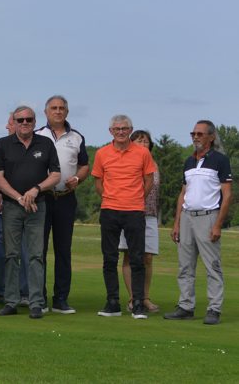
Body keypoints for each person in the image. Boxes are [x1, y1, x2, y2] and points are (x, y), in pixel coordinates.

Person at [0, 106, 61, 319]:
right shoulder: (2, 144)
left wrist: (35, 189)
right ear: (13, 122)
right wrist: (19, 197)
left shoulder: (46, 143)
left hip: (37, 205)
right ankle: (11, 301)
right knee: (11, 255)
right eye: (20, 120)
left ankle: (36, 304)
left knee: (35, 256)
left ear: (34, 121)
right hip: (12, 206)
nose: (24, 123)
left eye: (29, 119)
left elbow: (56, 175)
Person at [164, 120, 232, 325]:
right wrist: (176, 223)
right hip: (186, 218)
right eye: (193, 133)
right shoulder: (188, 162)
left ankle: (214, 309)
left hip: (208, 217)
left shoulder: (220, 160)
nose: (196, 137)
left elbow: (227, 196)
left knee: (212, 266)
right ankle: (186, 306)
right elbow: (183, 194)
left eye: (200, 134)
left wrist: (218, 224)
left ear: (211, 137)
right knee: (185, 266)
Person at [91, 114, 157, 320]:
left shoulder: (142, 153)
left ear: (130, 130)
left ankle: (138, 302)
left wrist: (135, 198)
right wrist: (111, 198)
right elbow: (99, 182)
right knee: (109, 259)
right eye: (116, 129)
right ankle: (113, 303)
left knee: (137, 259)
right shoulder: (102, 153)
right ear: (111, 131)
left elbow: (149, 182)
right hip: (110, 210)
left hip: (135, 211)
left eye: (124, 128)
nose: (120, 132)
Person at [34, 95, 89, 314]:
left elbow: (84, 166)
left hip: (66, 198)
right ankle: (39, 298)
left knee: (63, 251)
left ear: (67, 113)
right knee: (39, 250)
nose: (58, 111)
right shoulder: (37, 135)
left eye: (62, 108)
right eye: (54, 108)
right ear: (46, 112)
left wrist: (78, 178)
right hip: (43, 199)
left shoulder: (76, 137)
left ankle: (60, 299)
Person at [0, 112, 30, 304]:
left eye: (10, 123)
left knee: (24, 252)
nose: (7, 127)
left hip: (25, 206)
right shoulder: (3, 145)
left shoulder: (34, 147)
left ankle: (24, 293)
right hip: (4, 206)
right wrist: (2, 194)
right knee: (2, 252)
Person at [117, 130, 161, 314]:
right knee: (129, 256)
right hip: (128, 213)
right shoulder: (126, 162)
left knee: (147, 257)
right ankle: (132, 298)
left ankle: (144, 297)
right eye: (138, 141)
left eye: (146, 141)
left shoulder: (154, 165)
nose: (143, 144)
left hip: (149, 214)